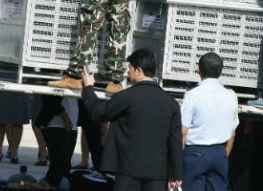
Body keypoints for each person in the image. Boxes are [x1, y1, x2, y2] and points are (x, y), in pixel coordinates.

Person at [81, 48, 182, 191]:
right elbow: (175, 141)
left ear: (138, 70)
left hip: (127, 171)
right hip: (158, 174)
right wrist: (176, 174)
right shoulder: (171, 103)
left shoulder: (126, 96)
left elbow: (97, 113)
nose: (128, 72)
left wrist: (88, 88)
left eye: (130, 68)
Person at [181, 52, 240, 191]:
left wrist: (178, 163)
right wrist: (223, 155)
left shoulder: (192, 95)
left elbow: (183, 132)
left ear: (199, 70)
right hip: (220, 153)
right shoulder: (231, 96)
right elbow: (232, 134)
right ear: (221, 72)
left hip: (195, 154)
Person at [34, 95, 80, 189]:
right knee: (59, 167)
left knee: (64, 167)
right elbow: (48, 97)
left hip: (71, 123)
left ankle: (50, 185)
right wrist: (64, 116)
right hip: (56, 124)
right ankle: (49, 185)